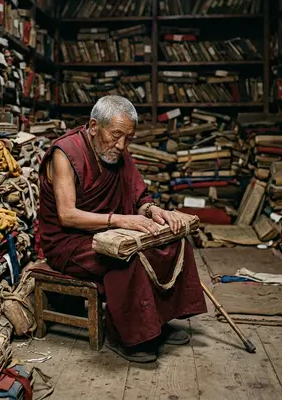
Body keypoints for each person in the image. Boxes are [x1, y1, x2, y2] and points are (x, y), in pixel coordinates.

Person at [38, 95, 207, 363]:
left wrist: (154, 211)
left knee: (171, 242)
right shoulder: (65, 154)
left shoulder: (116, 153)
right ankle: (125, 336)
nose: (121, 145)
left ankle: (157, 323)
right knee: (128, 259)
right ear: (94, 127)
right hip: (69, 242)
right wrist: (119, 220)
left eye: (128, 138)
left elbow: (138, 199)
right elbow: (67, 216)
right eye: (116, 135)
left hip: (107, 229)